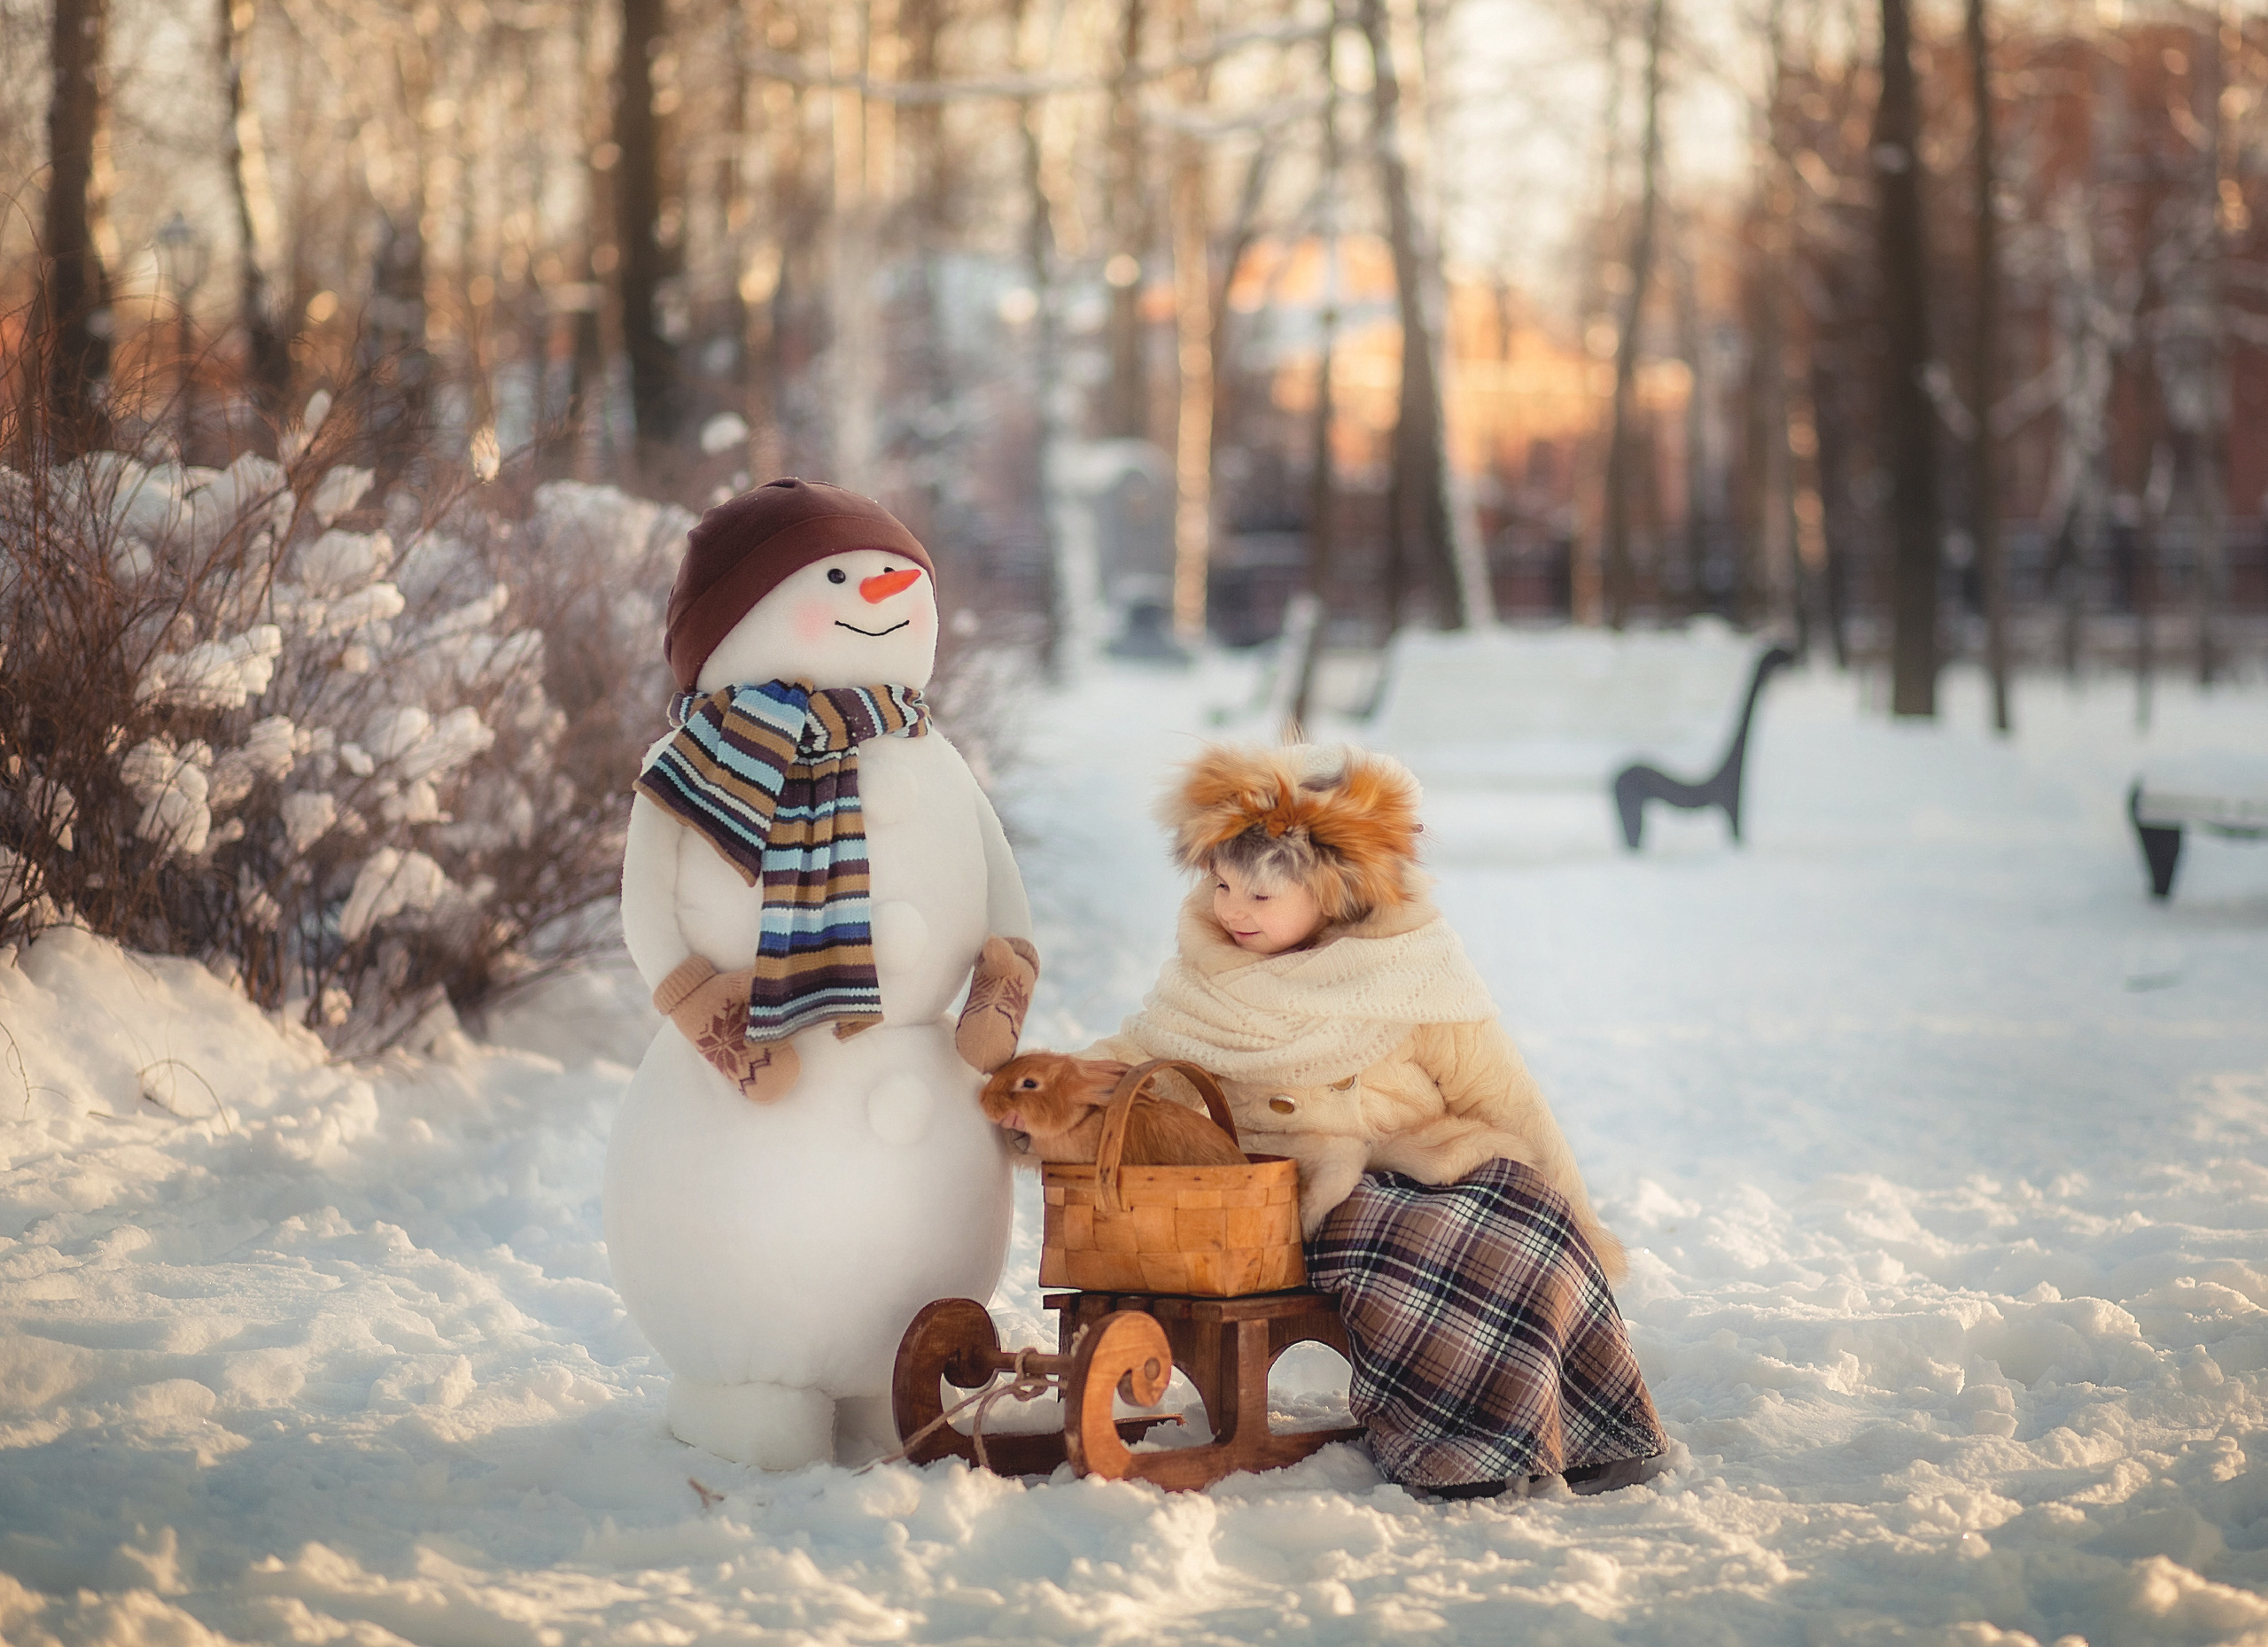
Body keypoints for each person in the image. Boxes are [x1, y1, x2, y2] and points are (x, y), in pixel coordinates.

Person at [1072, 741, 1665, 1497]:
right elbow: (1138, 1057)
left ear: (1333, 893)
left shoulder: (1408, 962)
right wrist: (1053, 1086)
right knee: (1418, 1238)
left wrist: (1577, 1206)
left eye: (1261, 897)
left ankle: (1586, 1426)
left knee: (1524, 1207)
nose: (1231, 911)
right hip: (1295, 1191)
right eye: (1222, 885)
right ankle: (1463, 1451)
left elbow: (1500, 1090)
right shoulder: (1209, 976)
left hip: (1419, 1154)